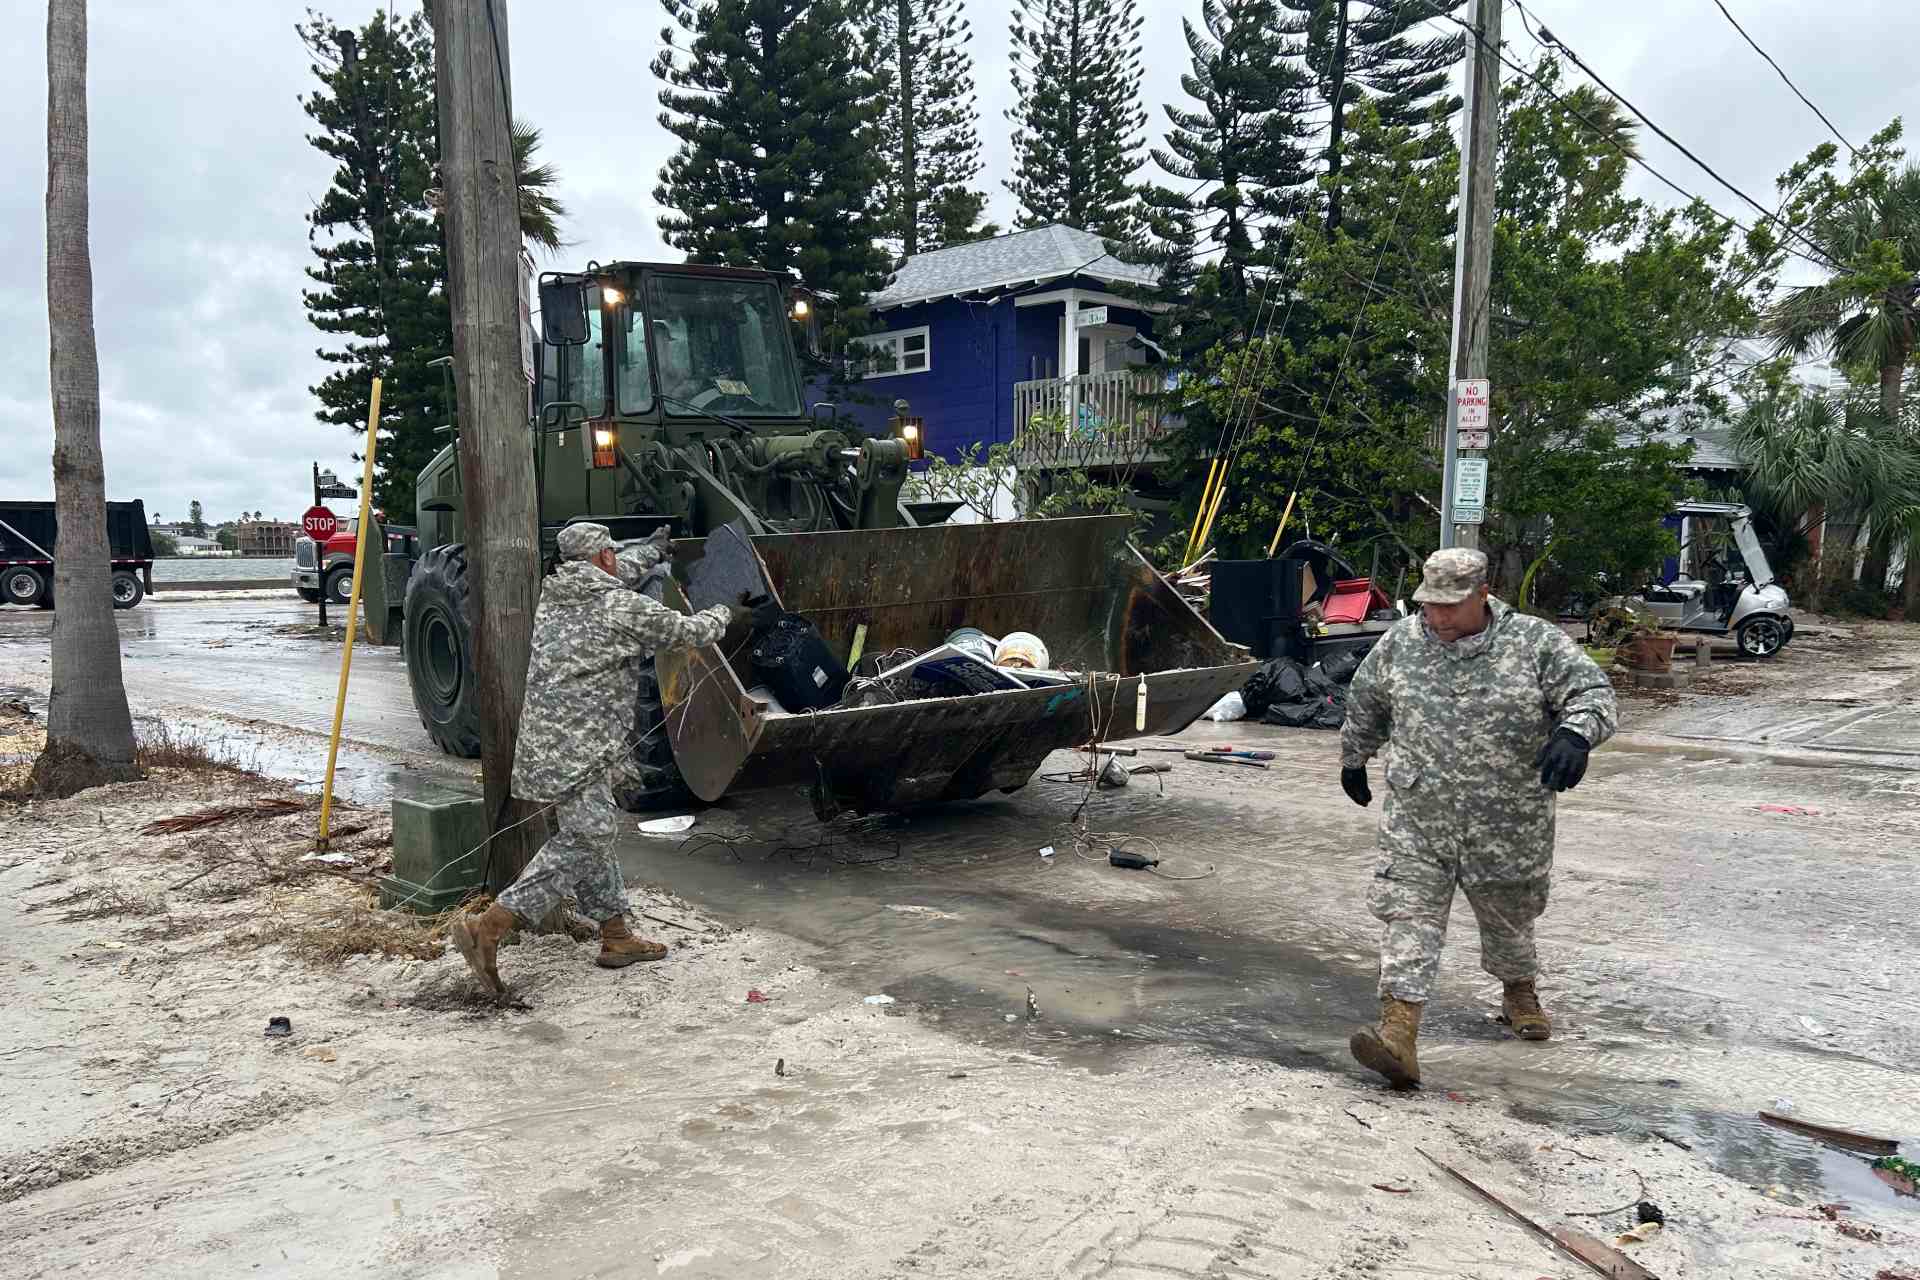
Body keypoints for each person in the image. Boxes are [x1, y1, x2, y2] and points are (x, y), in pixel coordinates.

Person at [1339, 547, 1616, 1088]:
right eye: (1430, 606)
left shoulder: (1534, 642)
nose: (1438, 617)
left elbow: (1593, 693)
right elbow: (1367, 701)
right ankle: (1399, 1031)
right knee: (1407, 913)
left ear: (1482, 596)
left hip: (1509, 816)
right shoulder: (1401, 642)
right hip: (1419, 815)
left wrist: (1576, 733)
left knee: (1509, 912)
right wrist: (1354, 756)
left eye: (1451, 607)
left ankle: (1518, 991)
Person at [450, 522, 745, 996]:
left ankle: (616, 936)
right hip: (583, 748)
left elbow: (613, 572)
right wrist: (725, 608)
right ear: (603, 557)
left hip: (547, 745)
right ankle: (493, 924)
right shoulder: (620, 605)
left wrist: (649, 552)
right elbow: (687, 632)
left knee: (591, 833)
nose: (614, 560)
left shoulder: (559, 593)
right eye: (612, 553)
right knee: (590, 835)